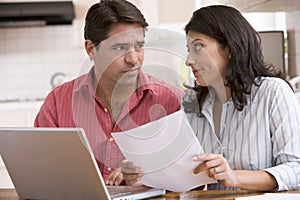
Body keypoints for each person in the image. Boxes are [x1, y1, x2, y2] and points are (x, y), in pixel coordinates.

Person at [121, 5, 300, 191]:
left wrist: (235, 177)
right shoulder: (191, 102)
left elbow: (296, 170)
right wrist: (144, 176)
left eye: (198, 47)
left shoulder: (273, 92)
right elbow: (184, 176)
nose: (188, 60)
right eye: (189, 49)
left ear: (230, 48)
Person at [34, 0, 183, 186]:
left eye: (139, 46)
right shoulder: (58, 102)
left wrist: (147, 177)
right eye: (120, 48)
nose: (133, 59)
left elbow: (192, 182)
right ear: (91, 49)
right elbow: (38, 172)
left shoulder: (173, 102)